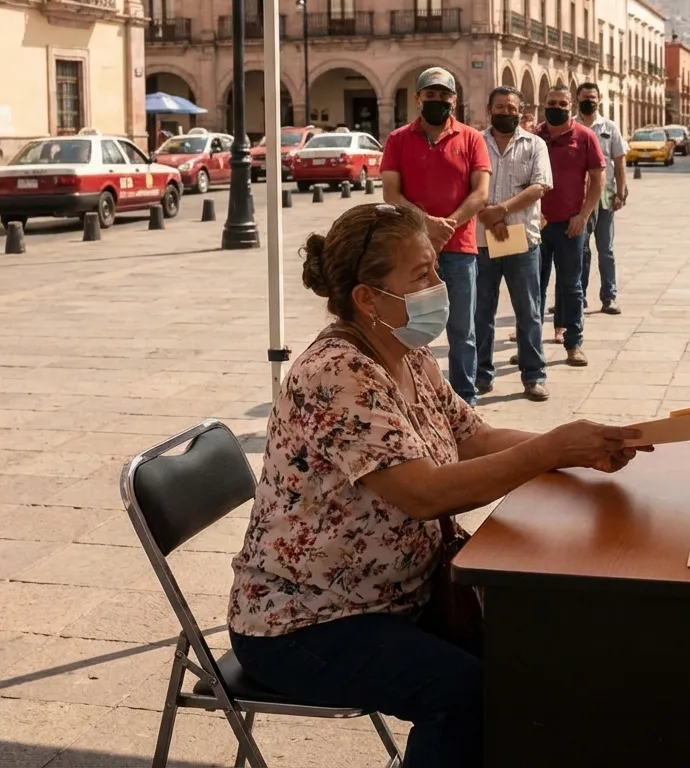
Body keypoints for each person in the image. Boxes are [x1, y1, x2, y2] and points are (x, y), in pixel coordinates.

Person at [227, 203, 649, 768]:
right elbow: (425, 493)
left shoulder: (409, 353)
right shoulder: (336, 373)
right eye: (421, 274)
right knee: (461, 695)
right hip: (307, 619)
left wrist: (581, 448)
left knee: (539, 653)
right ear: (368, 298)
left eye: (435, 267)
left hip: (399, 595)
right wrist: (550, 450)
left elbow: (474, 437)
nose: (440, 283)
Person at [381, 67, 491, 406]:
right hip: (412, 250)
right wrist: (427, 224)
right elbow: (390, 193)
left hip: (459, 249)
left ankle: (465, 399)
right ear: (418, 98)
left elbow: (481, 193)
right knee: (411, 327)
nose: (437, 100)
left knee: (462, 330)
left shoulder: (471, 139)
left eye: (444, 95)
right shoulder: (398, 139)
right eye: (431, 94)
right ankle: (416, 398)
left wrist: (448, 226)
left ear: (454, 100)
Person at [474, 86, 552, 402]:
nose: (505, 112)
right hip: (482, 240)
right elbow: (466, 185)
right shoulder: (475, 142)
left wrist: (501, 211)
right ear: (489, 109)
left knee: (528, 311)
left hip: (522, 240)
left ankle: (534, 376)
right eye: (500, 107)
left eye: (511, 107)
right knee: (481, 312)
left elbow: (539, 186)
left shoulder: (535, 144)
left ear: (521, 111)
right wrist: (491, 219)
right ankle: (481, 375)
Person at [536, 83, 605, 368]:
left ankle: (573, 343)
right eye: (552, 103)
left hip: (571, 227)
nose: (557, 108)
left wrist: (583, 216)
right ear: (544, 105)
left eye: (562, 104)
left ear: (571, 106)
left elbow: (598, 180)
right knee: (533, 287)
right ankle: (531, 346)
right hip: (537, 226)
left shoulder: (585, 137)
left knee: (571, 286)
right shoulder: (534, 137)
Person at [575, 82, 627, 314]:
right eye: (585, 97)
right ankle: (578, 296)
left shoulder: (609, 127)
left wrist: (621, 192)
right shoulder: (571, 126)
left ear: (599, 99)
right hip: (579, 199)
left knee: (606, 249)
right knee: (580, 249)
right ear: (577, 99)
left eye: (593, 97)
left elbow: (620, 161)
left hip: (605, 197)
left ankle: (609, 297)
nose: (589, 100)